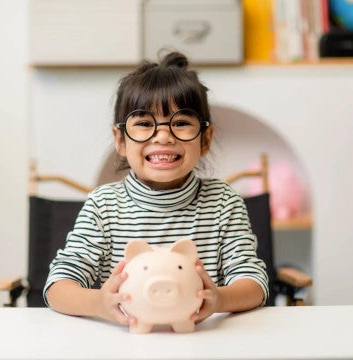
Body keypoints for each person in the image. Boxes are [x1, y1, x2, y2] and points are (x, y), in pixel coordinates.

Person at [44, 51, 268, 327]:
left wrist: (219, 300)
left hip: (203, 343)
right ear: (121, 140)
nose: (163, 136)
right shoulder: (103, 206)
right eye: (144, 124)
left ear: (206, 138)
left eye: (181, 123)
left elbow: (254, 283)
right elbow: (57, 287)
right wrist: (99, 304)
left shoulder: (224, 203)